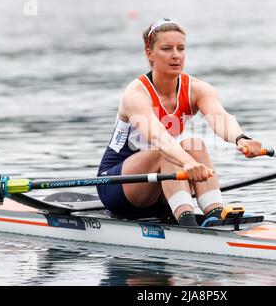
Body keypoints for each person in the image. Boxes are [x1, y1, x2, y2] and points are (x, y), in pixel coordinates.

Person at [97, 18, 262, 226]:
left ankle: (215, 212)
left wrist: (241, 139)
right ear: (150, 54)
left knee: (196, 145)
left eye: (181, 48)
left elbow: (220, 118)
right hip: (116, 186)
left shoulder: (198, 89)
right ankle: (187, 223)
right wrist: (186, 162)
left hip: (160, 184)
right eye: (167, 48)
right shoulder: (136, 94)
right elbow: (159, 138)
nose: (176, 55)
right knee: (168, 152)